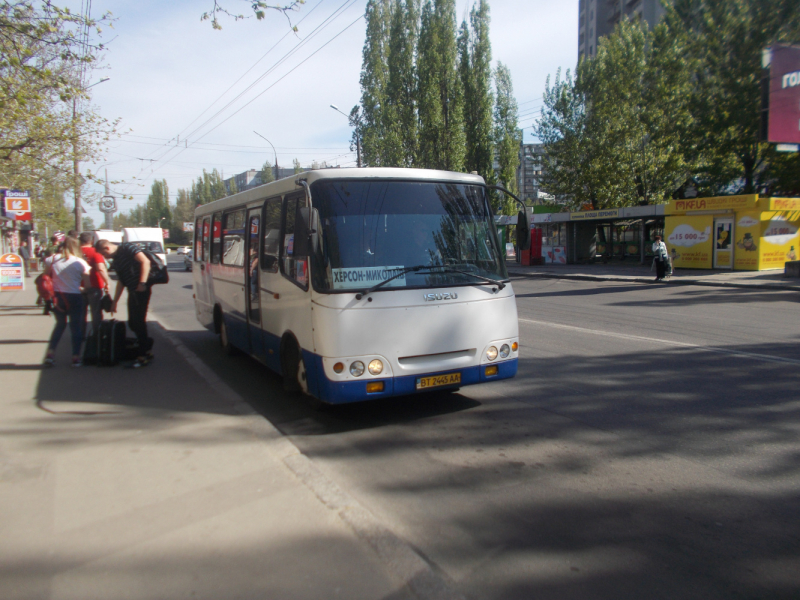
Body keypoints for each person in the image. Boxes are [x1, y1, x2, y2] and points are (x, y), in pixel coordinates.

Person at [95, 239, 153, 368]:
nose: (105, 257)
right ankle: (146, 347)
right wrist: (115, 301)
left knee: (138, 322)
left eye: (103, 254)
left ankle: (143, 354)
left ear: (107, 248)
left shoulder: (127, 247)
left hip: (141, 290)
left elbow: (145, 261)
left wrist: (142, 283)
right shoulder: (116, 260)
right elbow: (121, 281)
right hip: (132, 291)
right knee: (133, 323)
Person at [43, 237, 91, 367]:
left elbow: (45, 277)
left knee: (60, 325)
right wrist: (81, 288)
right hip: (75, 296)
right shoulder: (80, 262)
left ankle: (51, 354)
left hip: (57, 297)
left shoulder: (51, 259)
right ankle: (75, 357)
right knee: (75, 327)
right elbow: (87, 285)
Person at [79, 232, 111, 335]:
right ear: (92, 241)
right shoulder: (95, 252)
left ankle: (80, 334)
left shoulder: (75, 252)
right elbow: (100, 268)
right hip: (95, 286)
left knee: (80, 313)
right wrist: (107, 282)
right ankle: (97, 334)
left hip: (78, 286)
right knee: (96, 312)